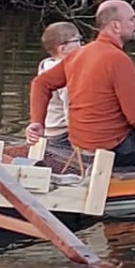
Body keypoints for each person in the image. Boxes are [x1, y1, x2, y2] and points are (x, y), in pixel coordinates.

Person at [28, 0, 135, 175]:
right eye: (132, 19)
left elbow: (41, 83)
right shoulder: (118, 60)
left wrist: (37, 122)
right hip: (111, 145)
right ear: (115, 26)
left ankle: (129, 174)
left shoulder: (80, 54)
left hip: (79, 144)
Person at [33, 21, 84, 170]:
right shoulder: (66, 75)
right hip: (62, 136)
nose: (82, 45)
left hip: (50, 132)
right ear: (63, 48)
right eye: (78, 41)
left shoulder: (46, 64)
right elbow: (71, 109)